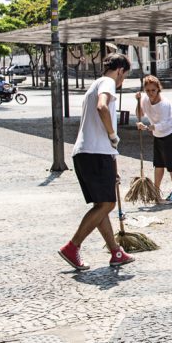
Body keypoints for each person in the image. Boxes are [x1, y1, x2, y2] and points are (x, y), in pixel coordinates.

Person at [58, 53, 134, 271]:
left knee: (101, 206)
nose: (122, 82)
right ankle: (72, 247)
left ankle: (115, 252)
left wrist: (113, 163)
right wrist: (112, 134)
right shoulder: (108, 82)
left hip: (87, 152)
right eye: (124, 76)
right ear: (120, 70)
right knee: (107, 204)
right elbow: (102, 107)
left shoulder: (94, 85)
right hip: (94, 153)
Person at [135, 75, 172, 200]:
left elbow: (163, 124)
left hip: (171, 133)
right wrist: (137, 102)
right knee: (158, 164)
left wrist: (147, 128)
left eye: (153, 90)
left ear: (158, 89)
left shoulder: (164, 104)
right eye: (147, 90)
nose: (150, 93)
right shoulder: (144, 100)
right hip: (158, 135)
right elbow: (140, 114)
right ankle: (155, 191)